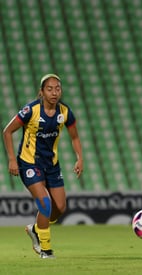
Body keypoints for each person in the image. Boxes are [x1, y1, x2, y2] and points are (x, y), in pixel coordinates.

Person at [3, 74, 83, 259]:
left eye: (57, 88)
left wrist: (80, 158)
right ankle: (45, 250)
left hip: (52, 165)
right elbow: (7, 131)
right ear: (41, 92)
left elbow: (75, 137)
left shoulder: (65, 112)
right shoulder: (31, 110)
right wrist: (12, 160)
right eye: (50, 89)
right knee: (44, 203)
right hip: (29, 162)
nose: (54, 92)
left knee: (60, 207)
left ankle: (35, 229)